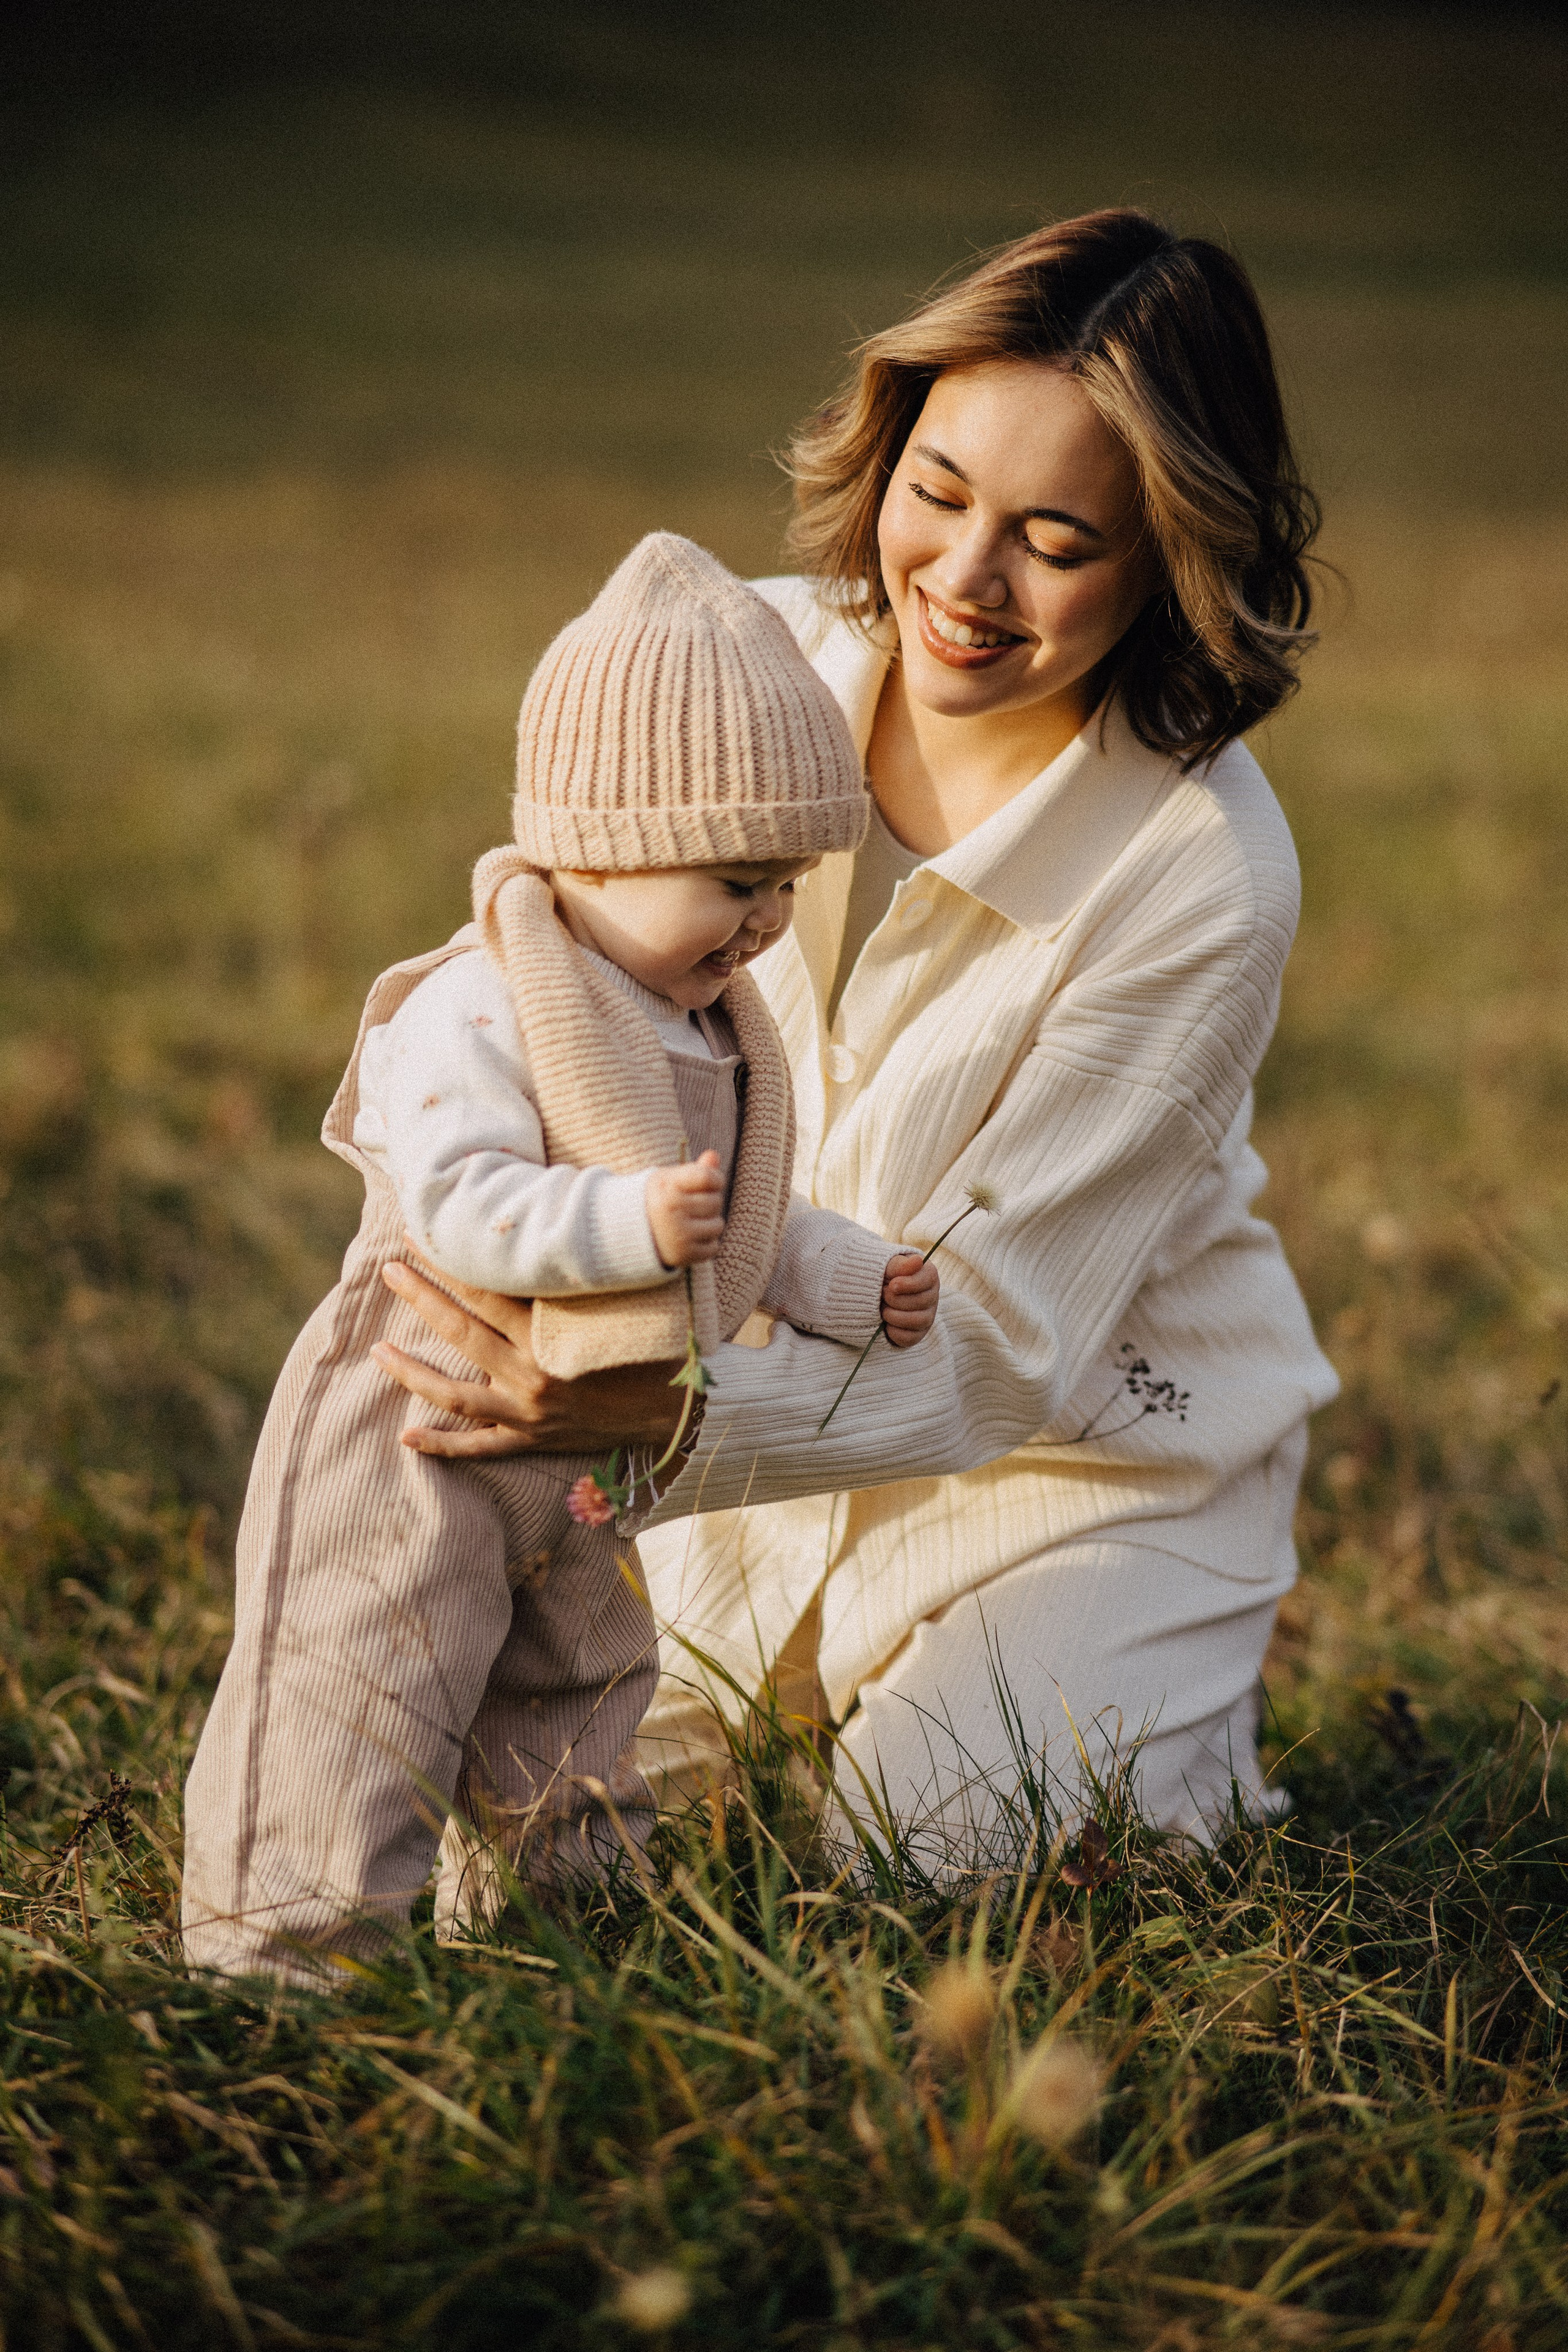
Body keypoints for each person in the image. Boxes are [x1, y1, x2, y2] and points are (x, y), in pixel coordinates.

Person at [369, 209, 1341, 1863]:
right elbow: (525, 1003)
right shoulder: (736, 667)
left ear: (1172, 561)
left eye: (1055, 539)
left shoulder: (1203, 874)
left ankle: (1168, 1702)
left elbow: (998, 1343)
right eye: (940, 494)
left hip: (1071, 1463)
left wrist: (631, 1413)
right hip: (710, 1459)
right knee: (507, 1843)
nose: (964, 581)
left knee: (937, 1844)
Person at [182, 532, 938, 1978]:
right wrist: (623, 1227)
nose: (767, 920)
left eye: (784, 881)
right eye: (735, 880)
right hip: (417, 1422)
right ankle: (280, 1970)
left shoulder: (707, 1021)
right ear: (598, 840)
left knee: (582, 1697)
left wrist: (850, 1283)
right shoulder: (478, 1007)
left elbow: (751, 1224)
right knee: (361, 1683)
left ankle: (566, 1942)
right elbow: (456, 1200)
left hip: (587, 1462)